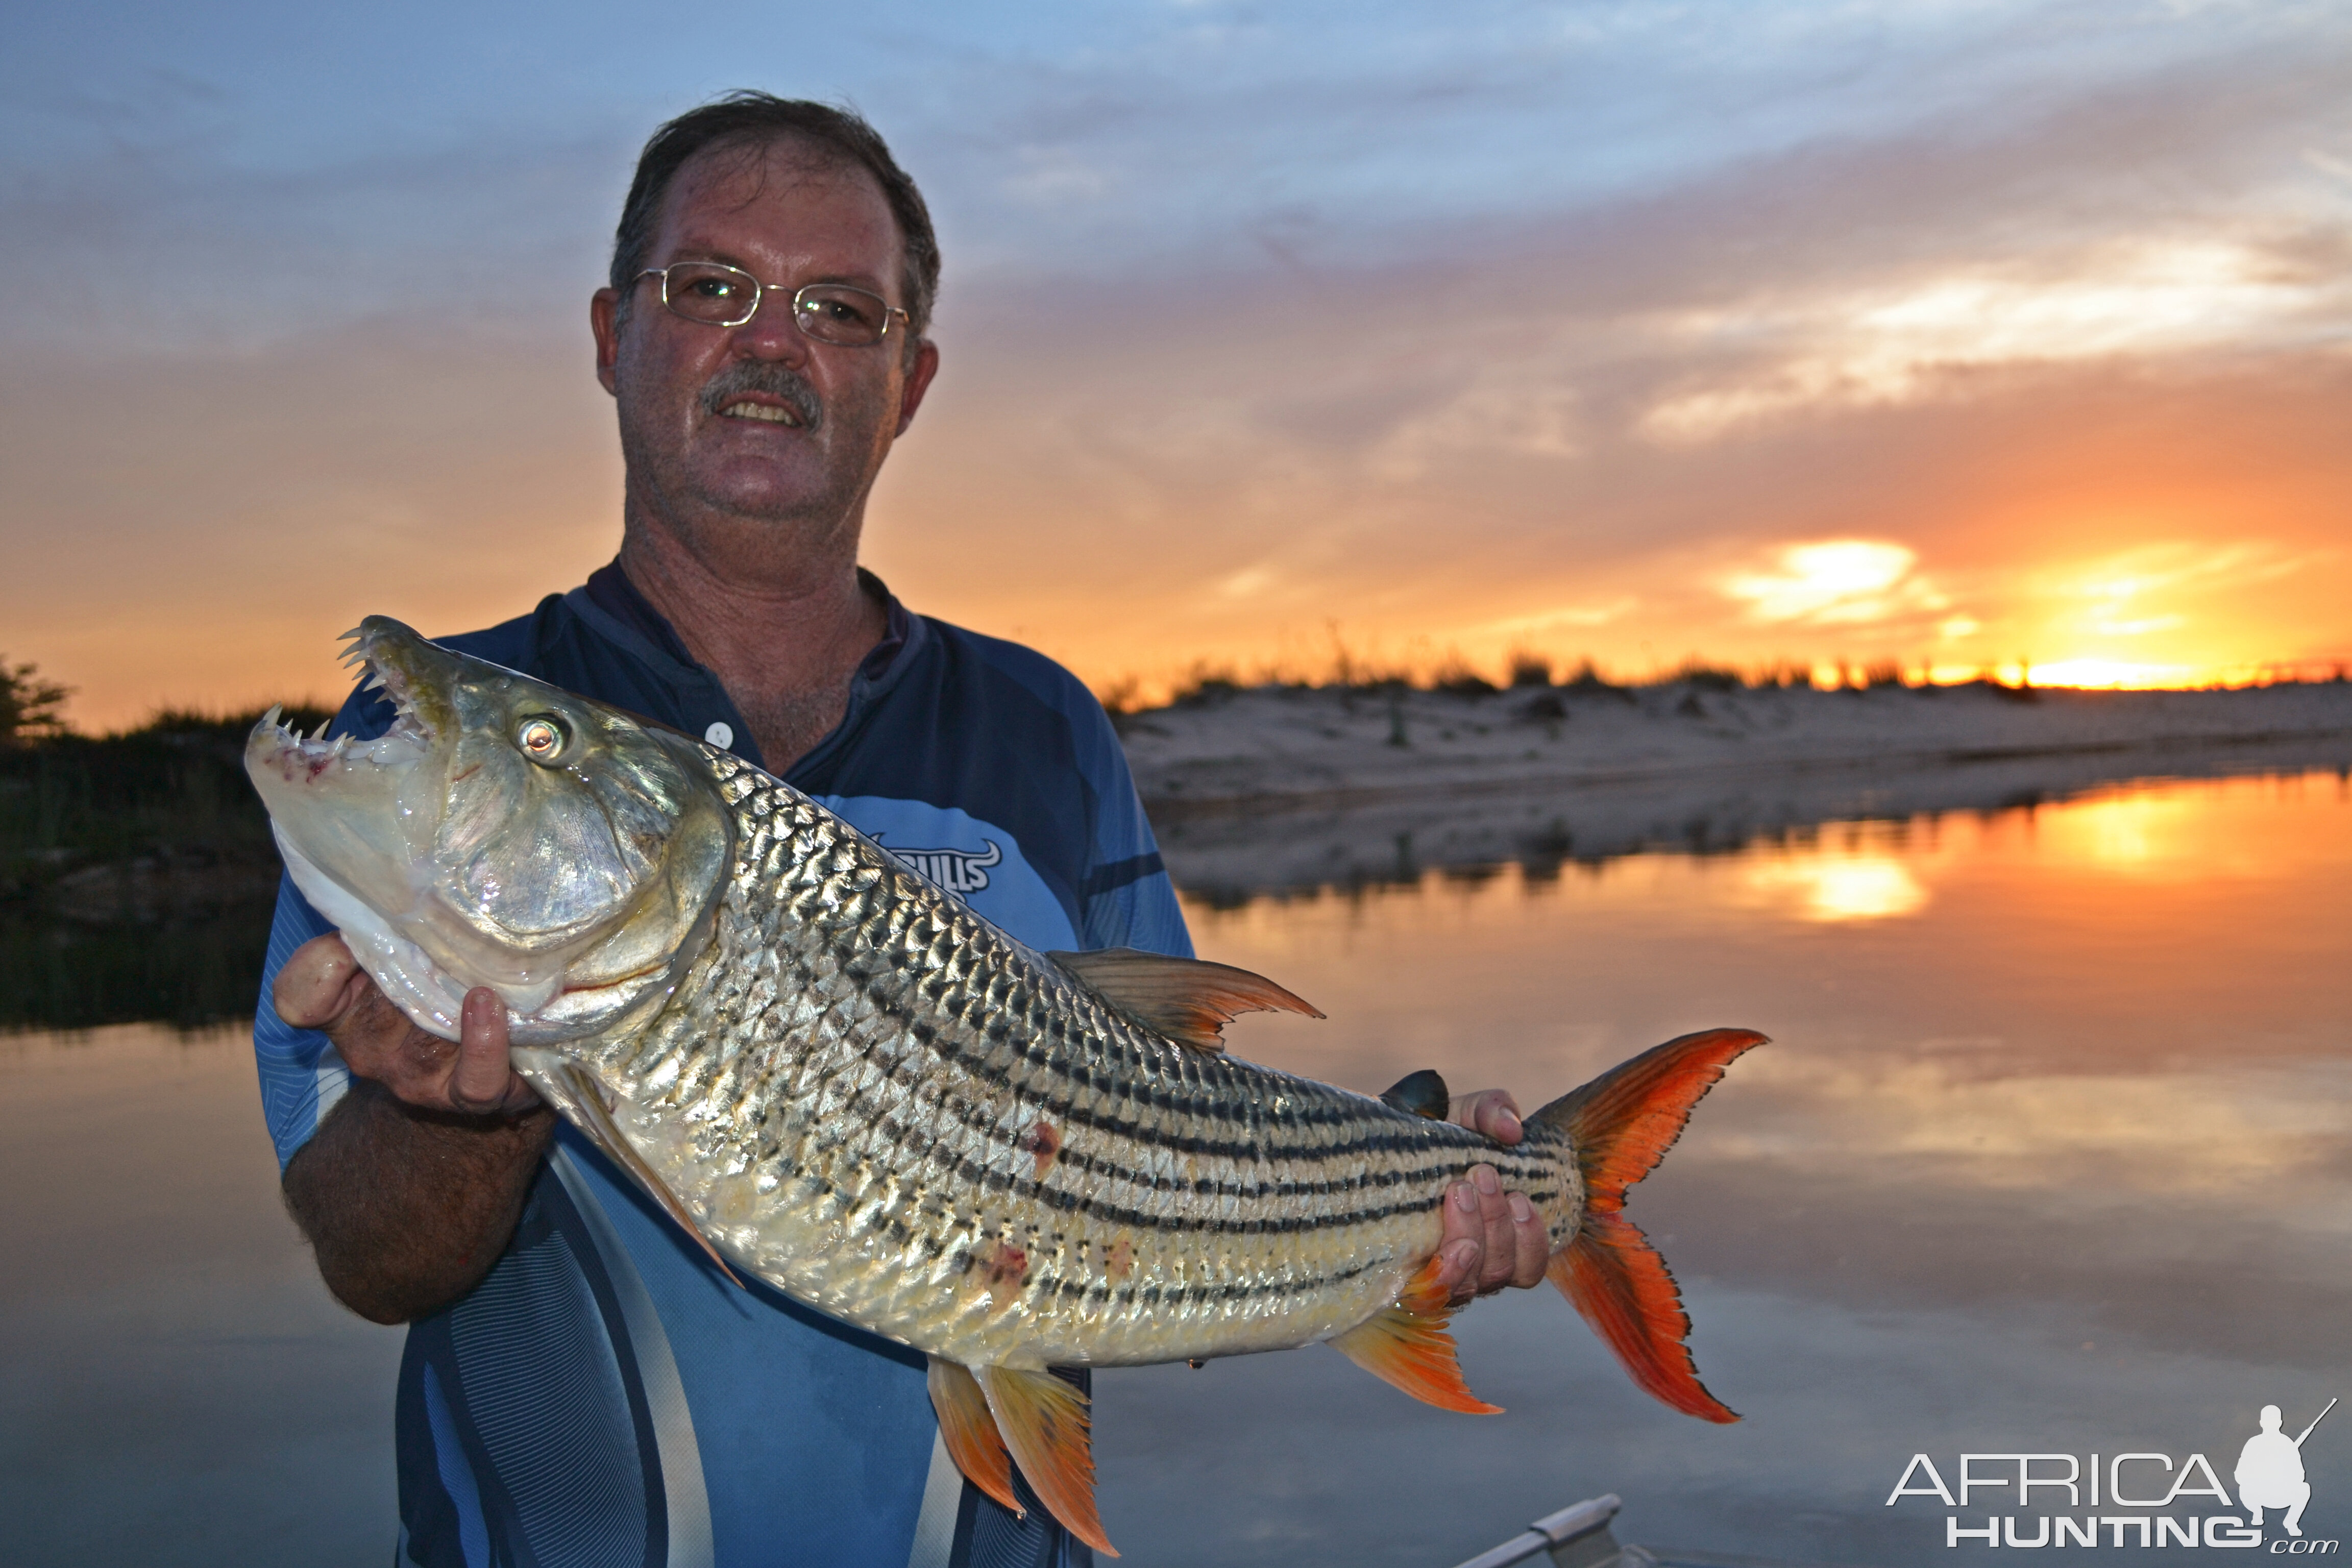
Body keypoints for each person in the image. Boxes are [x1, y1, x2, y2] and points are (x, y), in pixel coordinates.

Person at [256, 92, 1551, 1568]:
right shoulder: (419, 755)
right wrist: (449, 1115)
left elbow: (1165, 1185)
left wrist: (1409, 1218)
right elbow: (370, 1259)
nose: (770, 339)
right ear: (613, 335)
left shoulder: (1045, 727)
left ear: (910, 381)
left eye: (840, 309)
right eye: (710, 287)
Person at [2236, 1404, 2315, 1537]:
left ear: (2280, 1423)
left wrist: (2282, 1474)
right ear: (2261, 1423)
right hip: (2257, 1494)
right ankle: (2257, 1512)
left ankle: (2291, 1522)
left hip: (2282, 1494)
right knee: (2244, 1488)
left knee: (2304, 1488)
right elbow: (2239, 1475)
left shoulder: (2287, 1443)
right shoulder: (2253, 1443)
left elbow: (2300, 1475)